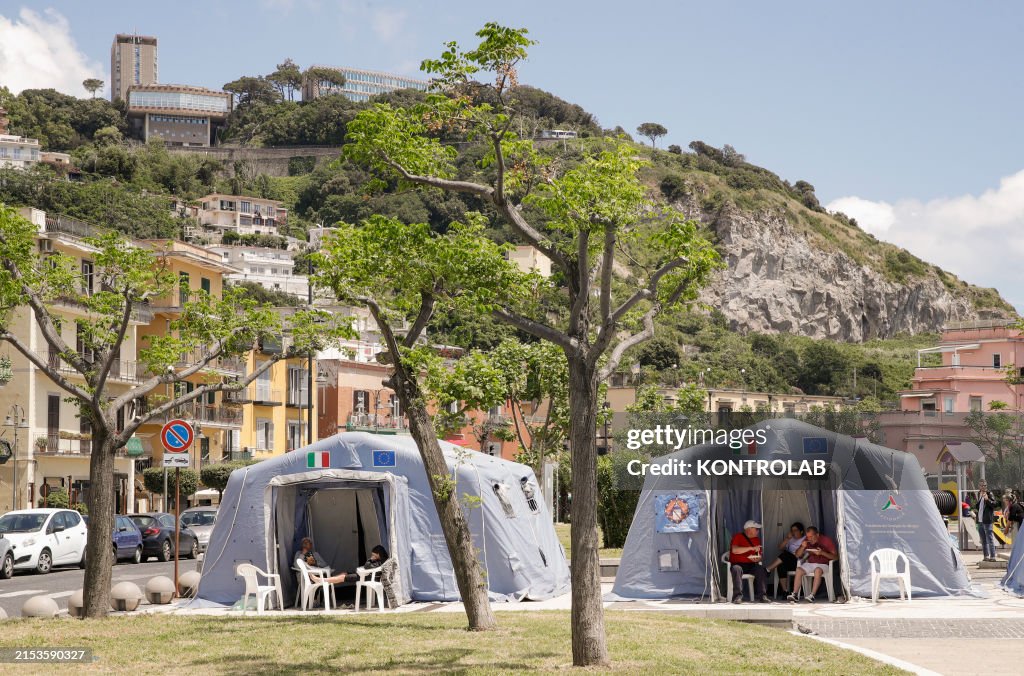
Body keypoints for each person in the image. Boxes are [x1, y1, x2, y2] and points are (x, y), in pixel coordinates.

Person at [788, 526, 837, 603]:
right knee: (799, 569)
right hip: (811, 563)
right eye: (807, 537)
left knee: (817, 570)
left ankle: (812, 595)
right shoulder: (806, 541)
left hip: (823, 564)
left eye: (811, 536)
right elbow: (797, 555)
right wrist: (802, 547)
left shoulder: (826, 540)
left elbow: (836, 557)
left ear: (817, 535)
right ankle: (795, 594)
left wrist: (822, 553)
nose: (809, 539)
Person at [729, 520, 769, 603]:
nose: (758, 531)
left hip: (750, 564)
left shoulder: (756, 540)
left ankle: (763, 596)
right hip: (738, 564)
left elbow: (759, 555)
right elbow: (735, 550)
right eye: (756, 529)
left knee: (761, 569)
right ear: (749, 529)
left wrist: (758, 558)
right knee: (736, 569)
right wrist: (751, 548)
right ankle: (737, 597)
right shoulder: (738, 537)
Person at [765, 522, 805, 595]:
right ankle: (785, 591)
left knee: (786, 554)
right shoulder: (791, 539)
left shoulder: (805, 539)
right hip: (789, 561)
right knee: (781, 566)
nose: (793, 532)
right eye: (792, 530)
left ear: (801, 531)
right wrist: (787, 538)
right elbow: (780, 547)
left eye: (795, 530)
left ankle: (768, 569)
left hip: (799, 562)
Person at [322, 545, 389, 584]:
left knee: (344, 577)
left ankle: (323, 581)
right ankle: (327, 579)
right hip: (367, 575)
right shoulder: (380, 560)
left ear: (378, 554)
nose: (372, 556)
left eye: (373, 555)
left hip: (369, 577)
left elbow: (367, 566)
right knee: (345, 573)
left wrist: (370, 559)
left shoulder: (381, 562)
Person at [975, 481, 998, 562]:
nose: (984, 487)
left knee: (990, 539)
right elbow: (979, 507)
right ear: (979, 486)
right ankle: (986, 556)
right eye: (982, 485)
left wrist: (987, 499)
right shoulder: (979, 494)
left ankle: (993, 557)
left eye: (985, 485)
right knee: (983, 540)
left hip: (987, 520)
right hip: (980, 521)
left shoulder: (989, 494)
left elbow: (995, 504)